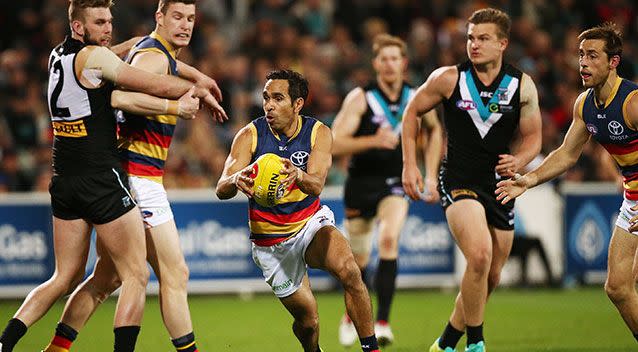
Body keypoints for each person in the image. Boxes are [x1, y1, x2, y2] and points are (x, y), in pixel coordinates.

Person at [0, 1, 225, 351]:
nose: (108, 28)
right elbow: (126, 90)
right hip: (126, 176)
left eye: (191, 18)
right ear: (160, 18)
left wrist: (193, 74)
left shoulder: (60, 56)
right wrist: (184, 96)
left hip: (67, 175)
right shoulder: (143, 58)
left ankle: (27, 345)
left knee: (89, 278)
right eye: (177, 17)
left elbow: (122, 53)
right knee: (158, 274)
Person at [402, 8, 542, 352]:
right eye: (470, 38)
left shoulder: (522, 85)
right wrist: (410, 165)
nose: (473, 45)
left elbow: (534, 137)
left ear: (502, 44)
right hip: (459, 180)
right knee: (479, 257)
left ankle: (447, 341)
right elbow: (411, 113)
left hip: (500, 187)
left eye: (482, 39)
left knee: (490, 276)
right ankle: (475, 343)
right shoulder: (448, 78)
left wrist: (520, 160)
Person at [216, 69, 380, 352]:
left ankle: (371, 348)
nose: (268, 104)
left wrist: (299, 175)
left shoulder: (319, 133)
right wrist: (236, 179)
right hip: (271, 245)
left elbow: (316, 184)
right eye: (266, 97)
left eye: (278, 98)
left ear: (298, 104)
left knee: (350, 271)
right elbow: (221, 187)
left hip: (309, 226)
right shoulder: (249, 135)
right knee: (309, 321)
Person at [496, 22, 638, 343]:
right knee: (617, 287)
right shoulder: (585, 104)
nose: (583, 63)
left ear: (613, 61)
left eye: (592, 56)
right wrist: (528, 179)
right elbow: (566, 154)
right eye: (580, 55)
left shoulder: (632, 102)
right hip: (632, 199)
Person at [331, 33, 442, 347]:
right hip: (361, 184)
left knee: (389, 238)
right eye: (384, 58)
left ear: (404, 63)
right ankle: (351, 316)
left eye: (396, 58)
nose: (390, 64)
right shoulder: (361, 98)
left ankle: (382, 322)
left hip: (396, 182)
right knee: (358, 262)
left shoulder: (417, 96)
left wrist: (430, 174)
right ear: (375, 63)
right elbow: (334, 142)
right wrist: (372, 141)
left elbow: (435, 131)